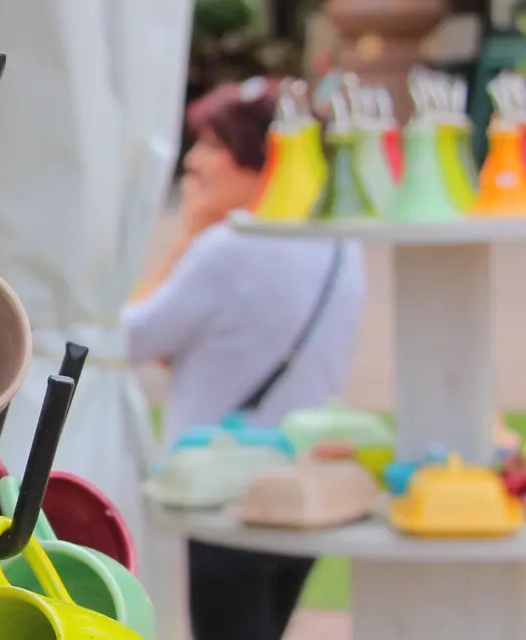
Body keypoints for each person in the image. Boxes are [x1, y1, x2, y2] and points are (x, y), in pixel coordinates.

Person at [124, 78, 368, 640]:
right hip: (307, 487)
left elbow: (128, 339)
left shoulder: (226, 249)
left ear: (261, 159)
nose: (194, 161)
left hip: (223, 496)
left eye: (213, 146)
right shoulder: (342, 245)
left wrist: (185, 234)